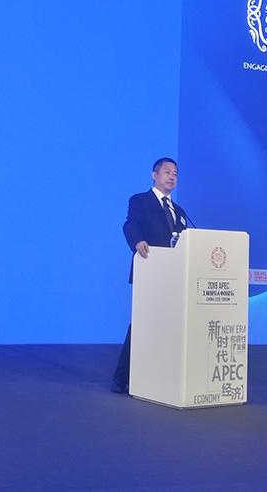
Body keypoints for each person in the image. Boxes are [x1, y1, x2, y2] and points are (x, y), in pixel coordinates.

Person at [111, 156, 190, 393]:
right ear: (154, 175)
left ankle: (159, 374)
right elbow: (130, 224)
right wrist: (137, 241)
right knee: (142, 323)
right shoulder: (140, 200)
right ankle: (122, 377)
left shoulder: (179, 211)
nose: (172, 176)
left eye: (175, 173)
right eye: (167, 172)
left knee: (169, 324)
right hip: (149, 270)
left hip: (173, 276)